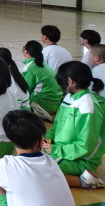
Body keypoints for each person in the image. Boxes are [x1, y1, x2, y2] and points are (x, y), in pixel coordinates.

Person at [43, 61, 105, 189]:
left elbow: (85, 147)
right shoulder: (69, 98)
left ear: (70, 81)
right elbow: (57, 125)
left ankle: (84, 181)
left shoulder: (87, 106)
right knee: (29, 159)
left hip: (80, 159)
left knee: (41, 171)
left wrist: (55, 149)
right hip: (61, 151)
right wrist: (48, 138)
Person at [21, 40, 63, 121]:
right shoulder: (43, 64)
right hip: (56, 102)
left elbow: (25, 89)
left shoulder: (30, 67)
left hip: (44, 105)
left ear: (26, 51)